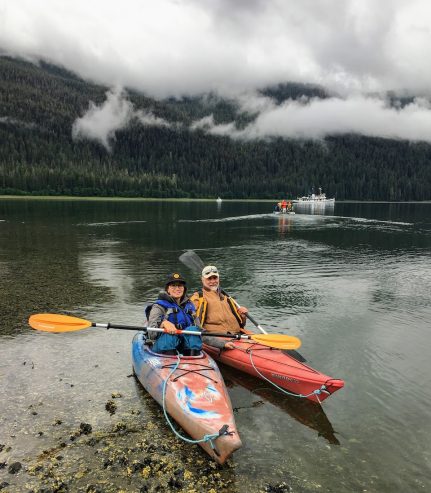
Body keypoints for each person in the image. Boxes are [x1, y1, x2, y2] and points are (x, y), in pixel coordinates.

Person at [190, 266, 248, 350]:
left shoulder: (227, 297)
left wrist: (243, 316)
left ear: (218, 279)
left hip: (238, 335)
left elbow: (242, 324)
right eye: (209, 279)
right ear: (202, 280)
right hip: (216, 338)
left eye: (215, 278)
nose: (213, 281)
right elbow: (192, 323)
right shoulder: (197, 297)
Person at [147, 272, 202, 355]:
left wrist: (222, 344)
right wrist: (163, 323)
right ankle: (169, 360)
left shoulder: (190, 306)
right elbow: (151, 334)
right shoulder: (158, 307)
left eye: (180, 285)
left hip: (185, 347)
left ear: (184, 289)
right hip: (164, 348)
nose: (177, 288)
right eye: (173, 285)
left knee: (193, 330)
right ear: (167, 289)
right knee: (170, 335)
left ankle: (192, 357)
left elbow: (200, 331)